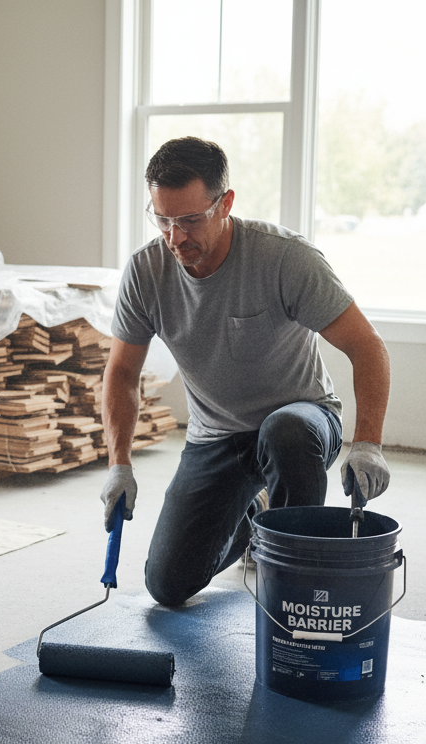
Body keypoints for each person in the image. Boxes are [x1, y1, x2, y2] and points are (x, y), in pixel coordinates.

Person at [100, 137, 391, 607]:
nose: (175, 238)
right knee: (168, 585)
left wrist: (369, 444)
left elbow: (368, 347)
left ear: (225, 203)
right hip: (217, 436)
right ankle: (258, 515)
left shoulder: (285, 258)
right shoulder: (146, 271)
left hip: (302, 420)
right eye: (163, 220)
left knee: (287, 431)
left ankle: (293, 576)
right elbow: (121, 373)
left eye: (190, 220)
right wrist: (119, 465)